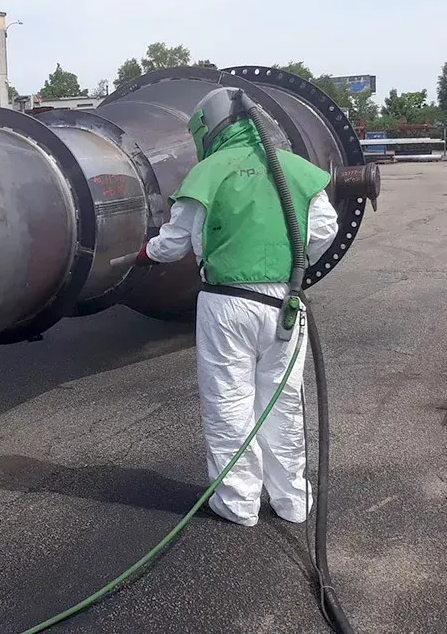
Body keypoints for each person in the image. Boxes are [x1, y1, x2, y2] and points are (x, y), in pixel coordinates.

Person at [135, 87, 339, 527]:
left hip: (227, 307)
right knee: (284, 403)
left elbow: (172, 244)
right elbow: (324, 228)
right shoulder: (297, 170)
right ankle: (292, 502)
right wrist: (291, 267)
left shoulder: (210, 171)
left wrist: (144, 252)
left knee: (229, 400)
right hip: (285, 303)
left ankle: (237, 502)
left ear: (209, 130)